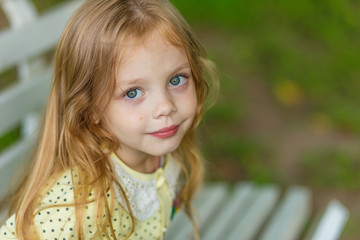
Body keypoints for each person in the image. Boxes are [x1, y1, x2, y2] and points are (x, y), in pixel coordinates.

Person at [0, 0, 218, 239]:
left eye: (176, 80)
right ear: (91, 108)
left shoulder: (157, 151)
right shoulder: (77, 205)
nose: (166, 107)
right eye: (133, 93)